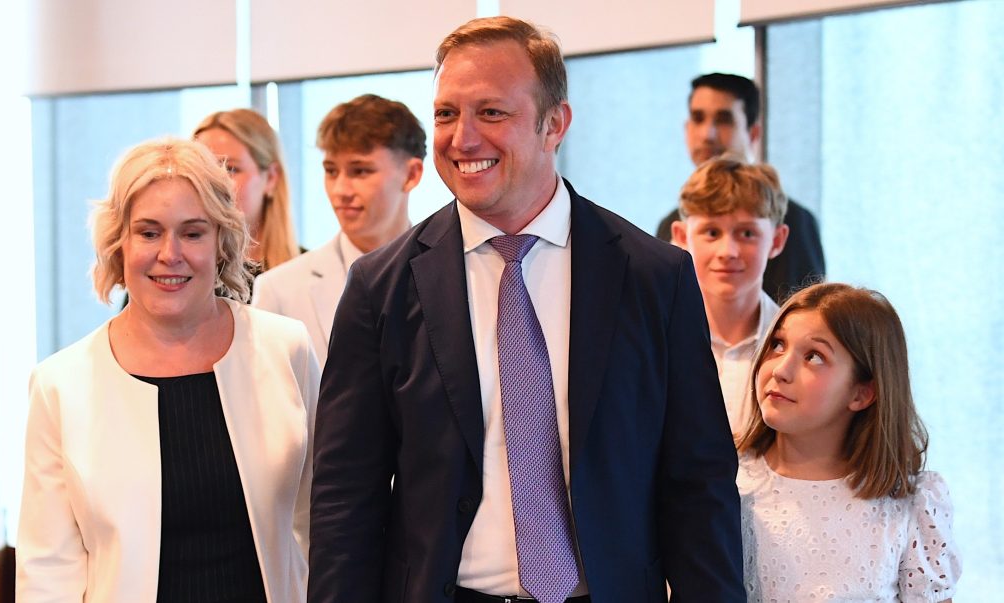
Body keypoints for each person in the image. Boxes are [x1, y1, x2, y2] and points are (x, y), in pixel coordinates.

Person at [309, 16, 744, 602]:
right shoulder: (379, 288)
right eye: (445, 114)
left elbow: (699, 484)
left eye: (491, 113)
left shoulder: (653, 278)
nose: (462, 139)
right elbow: (345, 497)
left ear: (554, 124)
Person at [16, 138, 321, 602]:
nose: (170, 253)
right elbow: (47, 572)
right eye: (149, 232)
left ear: (222, 242)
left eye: (193, 232)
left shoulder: (286, 348)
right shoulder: (61, 385)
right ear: (119, 242)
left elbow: (323, 521)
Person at [737, 283, 961, 601]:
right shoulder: (728, 480)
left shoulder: (909, 502)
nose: (781, 370)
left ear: (861, 393)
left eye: (814, 356)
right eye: (777, 345)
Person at [252, 94, 424, 361]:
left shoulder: (452, 273)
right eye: (331, 171)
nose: (340, 190)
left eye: (360, 171)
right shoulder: (279, 291)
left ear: (412, 175)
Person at [657, 73, 825, 302]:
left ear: (753, 133)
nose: (708, 134)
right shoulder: (670, 223)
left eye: (724, 120)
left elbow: (804, 315)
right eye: (698, 118)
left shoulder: (793, 220)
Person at [670, 155, 788, 437]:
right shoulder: (655, 340)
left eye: (747, 233)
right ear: (682, 237)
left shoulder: (794, 353)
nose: (728, 251)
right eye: (711, 232)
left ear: (777, 240)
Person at [194, 108, 302, 275]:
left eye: (231, 169)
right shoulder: (180, 272)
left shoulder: (309, 273)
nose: (214, 182)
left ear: (271, 177)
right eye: (204, 169)